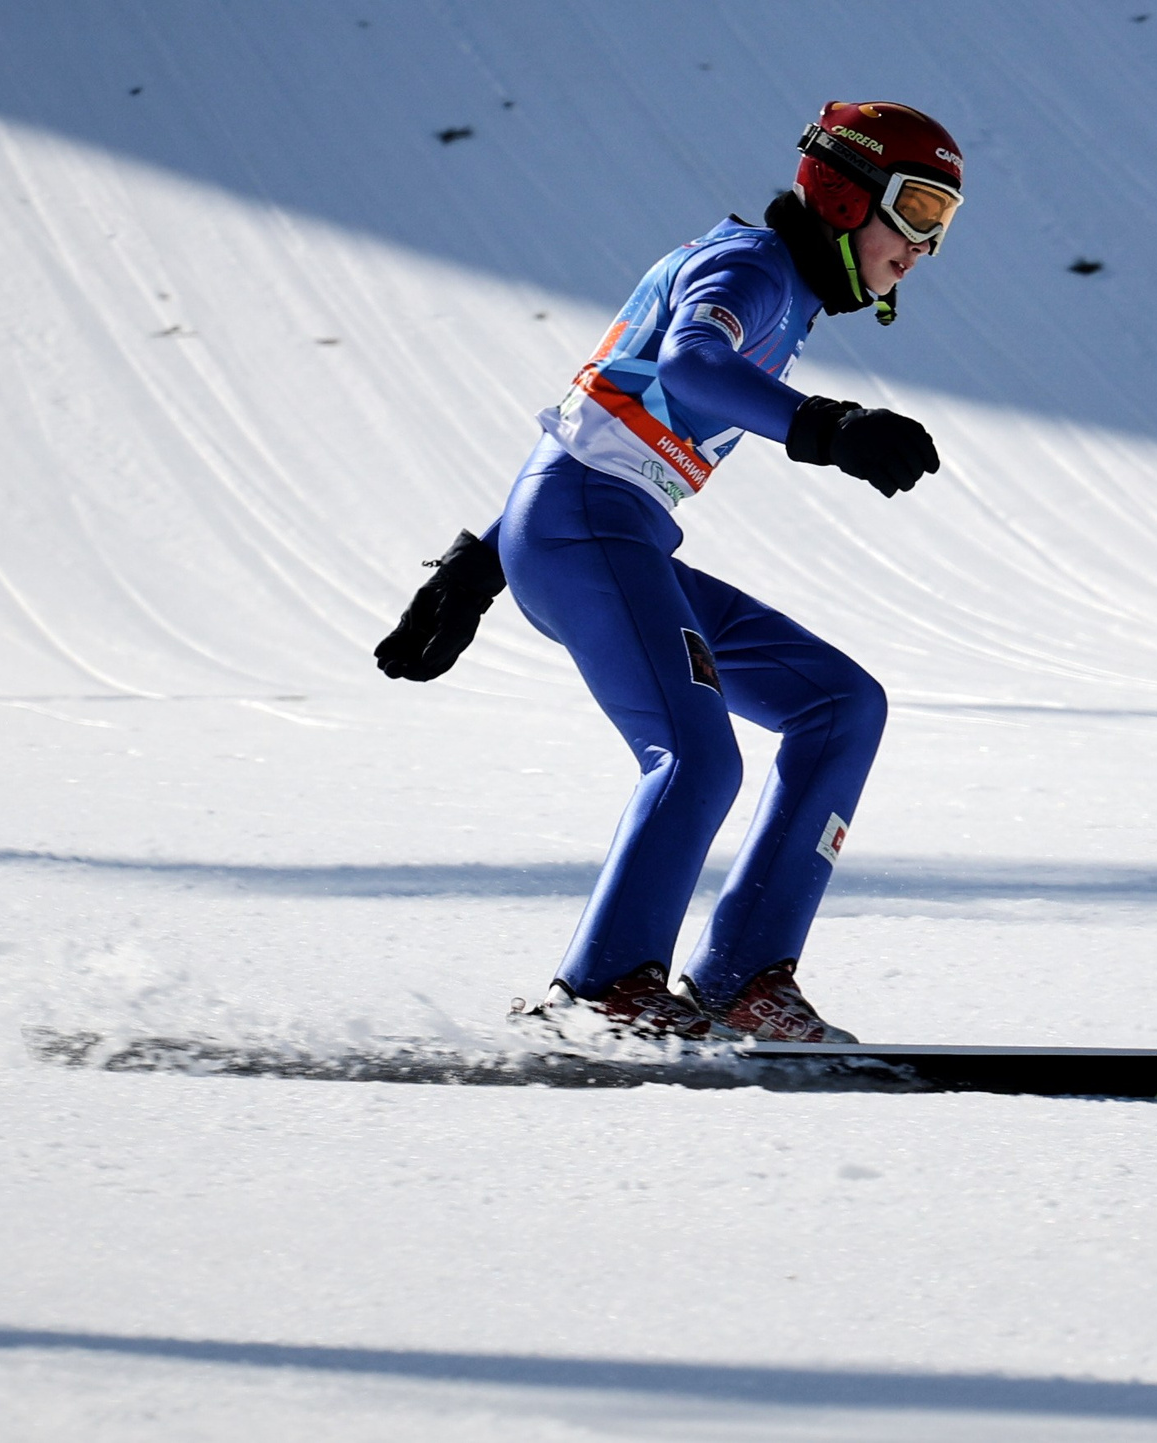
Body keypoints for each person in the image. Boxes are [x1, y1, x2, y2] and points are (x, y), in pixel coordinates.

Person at [372, 101, 965, 1044]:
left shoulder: (779, 286)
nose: (927, 245)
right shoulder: (751, 268)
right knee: (697, 758)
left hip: (609, 533)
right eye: (921, 210)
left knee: (841, 705)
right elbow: (691, 369)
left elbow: (594, 409)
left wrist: (479, 564)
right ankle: (605, 987)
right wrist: (830, 427)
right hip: (585, 527)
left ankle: (742, 983)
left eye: (945, 221)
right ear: (847, 194)